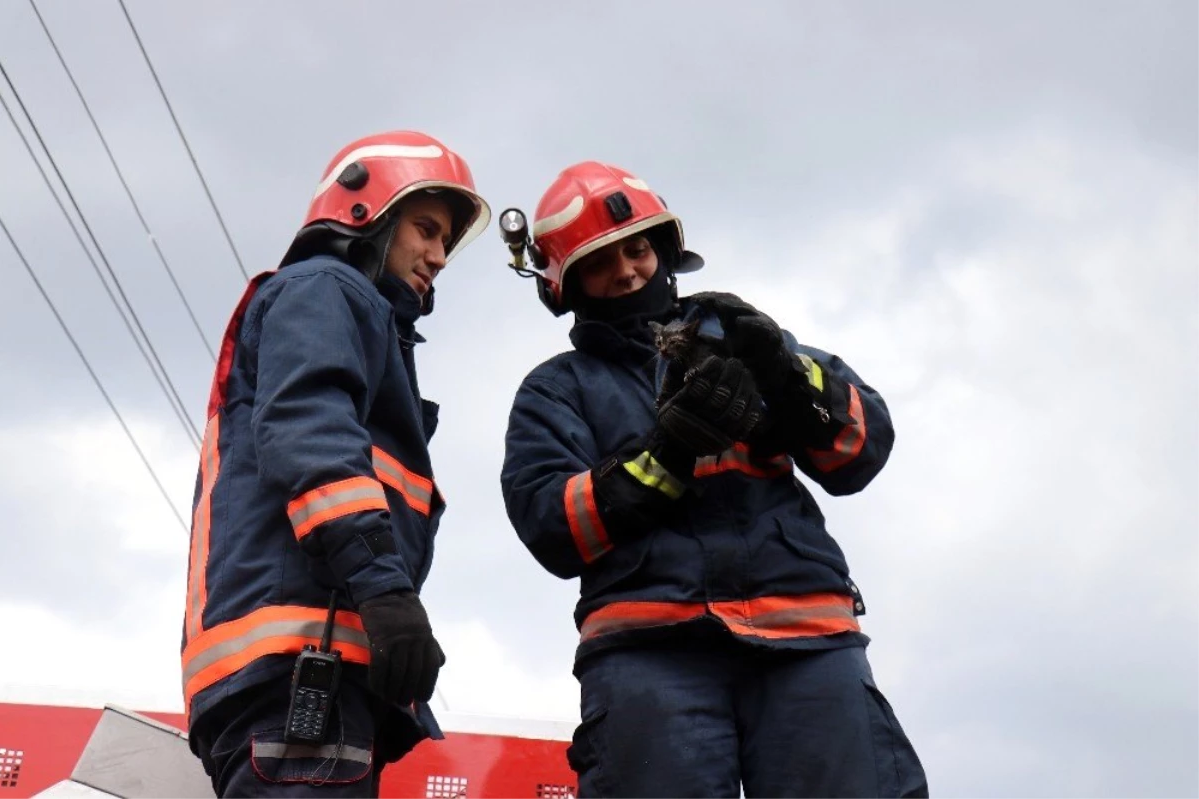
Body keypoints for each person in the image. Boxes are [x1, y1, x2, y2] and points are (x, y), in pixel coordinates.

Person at [499, 161, 928, 798]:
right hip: (651, 647)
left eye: (637, 249)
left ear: (664, 249)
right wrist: (668, 454)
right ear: (567, 284)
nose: (626, 271)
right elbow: (552, 527)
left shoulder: (746, 338)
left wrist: (790, 377)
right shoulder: (557, 390)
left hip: (806, 638)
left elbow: (861, 452)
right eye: (599, 262)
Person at [180, 130, 490, 796]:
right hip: (302, 661)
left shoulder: (347, 310)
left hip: (296, 666)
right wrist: (385, 591)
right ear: (365, 212)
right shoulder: (327, 289)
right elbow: (309, 432)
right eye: (426, 228)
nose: (439, 255)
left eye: (447, 241)